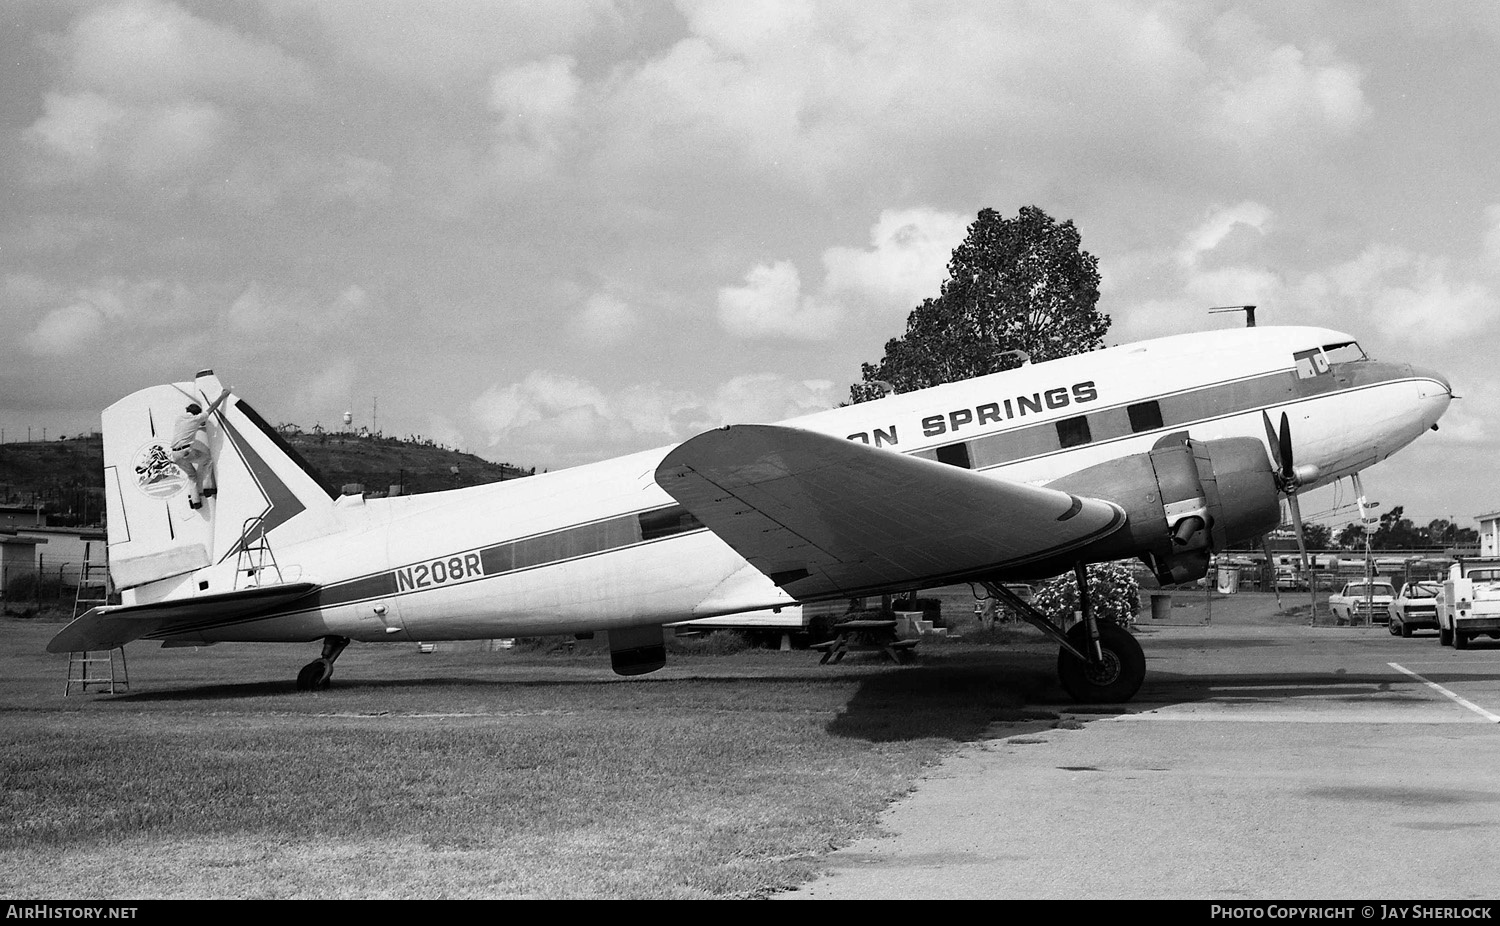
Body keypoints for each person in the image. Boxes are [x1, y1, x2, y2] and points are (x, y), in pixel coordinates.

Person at [171, 388, 230, 508]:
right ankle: (207, 488)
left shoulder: (179, 419)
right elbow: (212, 407)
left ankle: (195, 501)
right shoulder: (196, 418)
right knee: (207, 459)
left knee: (192, 476)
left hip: (175, 455)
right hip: (186, 451)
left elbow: (187, 430)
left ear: (187, 410)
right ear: (197, 413)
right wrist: (222, 396)